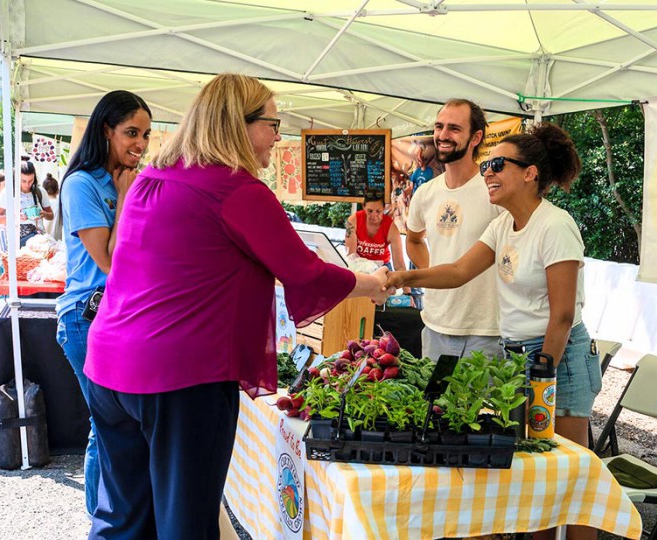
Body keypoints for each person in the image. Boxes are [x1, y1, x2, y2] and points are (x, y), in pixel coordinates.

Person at [83, 74, 389, 538]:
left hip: (110, 365)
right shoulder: (237, 190)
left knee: (123, 519)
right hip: (181, 378)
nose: (278, 135)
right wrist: (376, 282)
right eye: (273, 123)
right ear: (238, 125)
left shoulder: (153, 178)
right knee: (185, 524)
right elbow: (304, 271)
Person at [387, 123, 597, 540]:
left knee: (571, 474)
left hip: (559, 356)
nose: (488, 173)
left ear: (530, 173)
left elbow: (561, 313)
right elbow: (459, 271)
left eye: (498, 164)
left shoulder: (555, 226)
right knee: (535, 468)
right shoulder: (502, 225)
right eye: (486, 166)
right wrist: (401, 280)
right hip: (518, 355)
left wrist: (543, 374)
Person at [55, 89, 151, 519]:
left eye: (146, 134)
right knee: (105, 429)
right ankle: (104, 524)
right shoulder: (81, 184)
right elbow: (111, 262)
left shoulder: (128, 181)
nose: (141, 144)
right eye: (132, 132)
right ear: (106, 129)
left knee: (124, 428)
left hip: (123, 319)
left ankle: (123, 521)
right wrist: (128, 201)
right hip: (87, 318)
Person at [405, 98, 503, 360]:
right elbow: (413, 240)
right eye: (439, 127)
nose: (443, 135)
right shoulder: (425, 193)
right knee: (434, 403)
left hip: (486, 331)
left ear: (476, 137)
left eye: (454, 128)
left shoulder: (494, 190)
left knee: (482, 403)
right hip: (435, 324)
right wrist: (433, 274)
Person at [345, 187, 409, 285]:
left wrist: (407, 293)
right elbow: (351, 257)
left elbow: (399, 266)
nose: (374, 215)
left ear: (384, 208)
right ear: (363, 207)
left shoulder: (391, 228)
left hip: (382, 267)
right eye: (369, 211)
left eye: (378, 211)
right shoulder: (353, 221)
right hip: (359, 266)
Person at [0, 160, 52, 247]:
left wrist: (44, 214)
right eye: (23, 181)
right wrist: (16, 216)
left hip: (39, 240)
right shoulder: (8, 192)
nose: (27, 184)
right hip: (17, 242)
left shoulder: (40, 191)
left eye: (31, 180)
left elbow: (51, 216)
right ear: (16, 178)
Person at [41, 174, 60, 241]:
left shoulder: (41, 204)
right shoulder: (61, 204)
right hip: (57, 240)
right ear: (57, 190)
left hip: (42, 240)